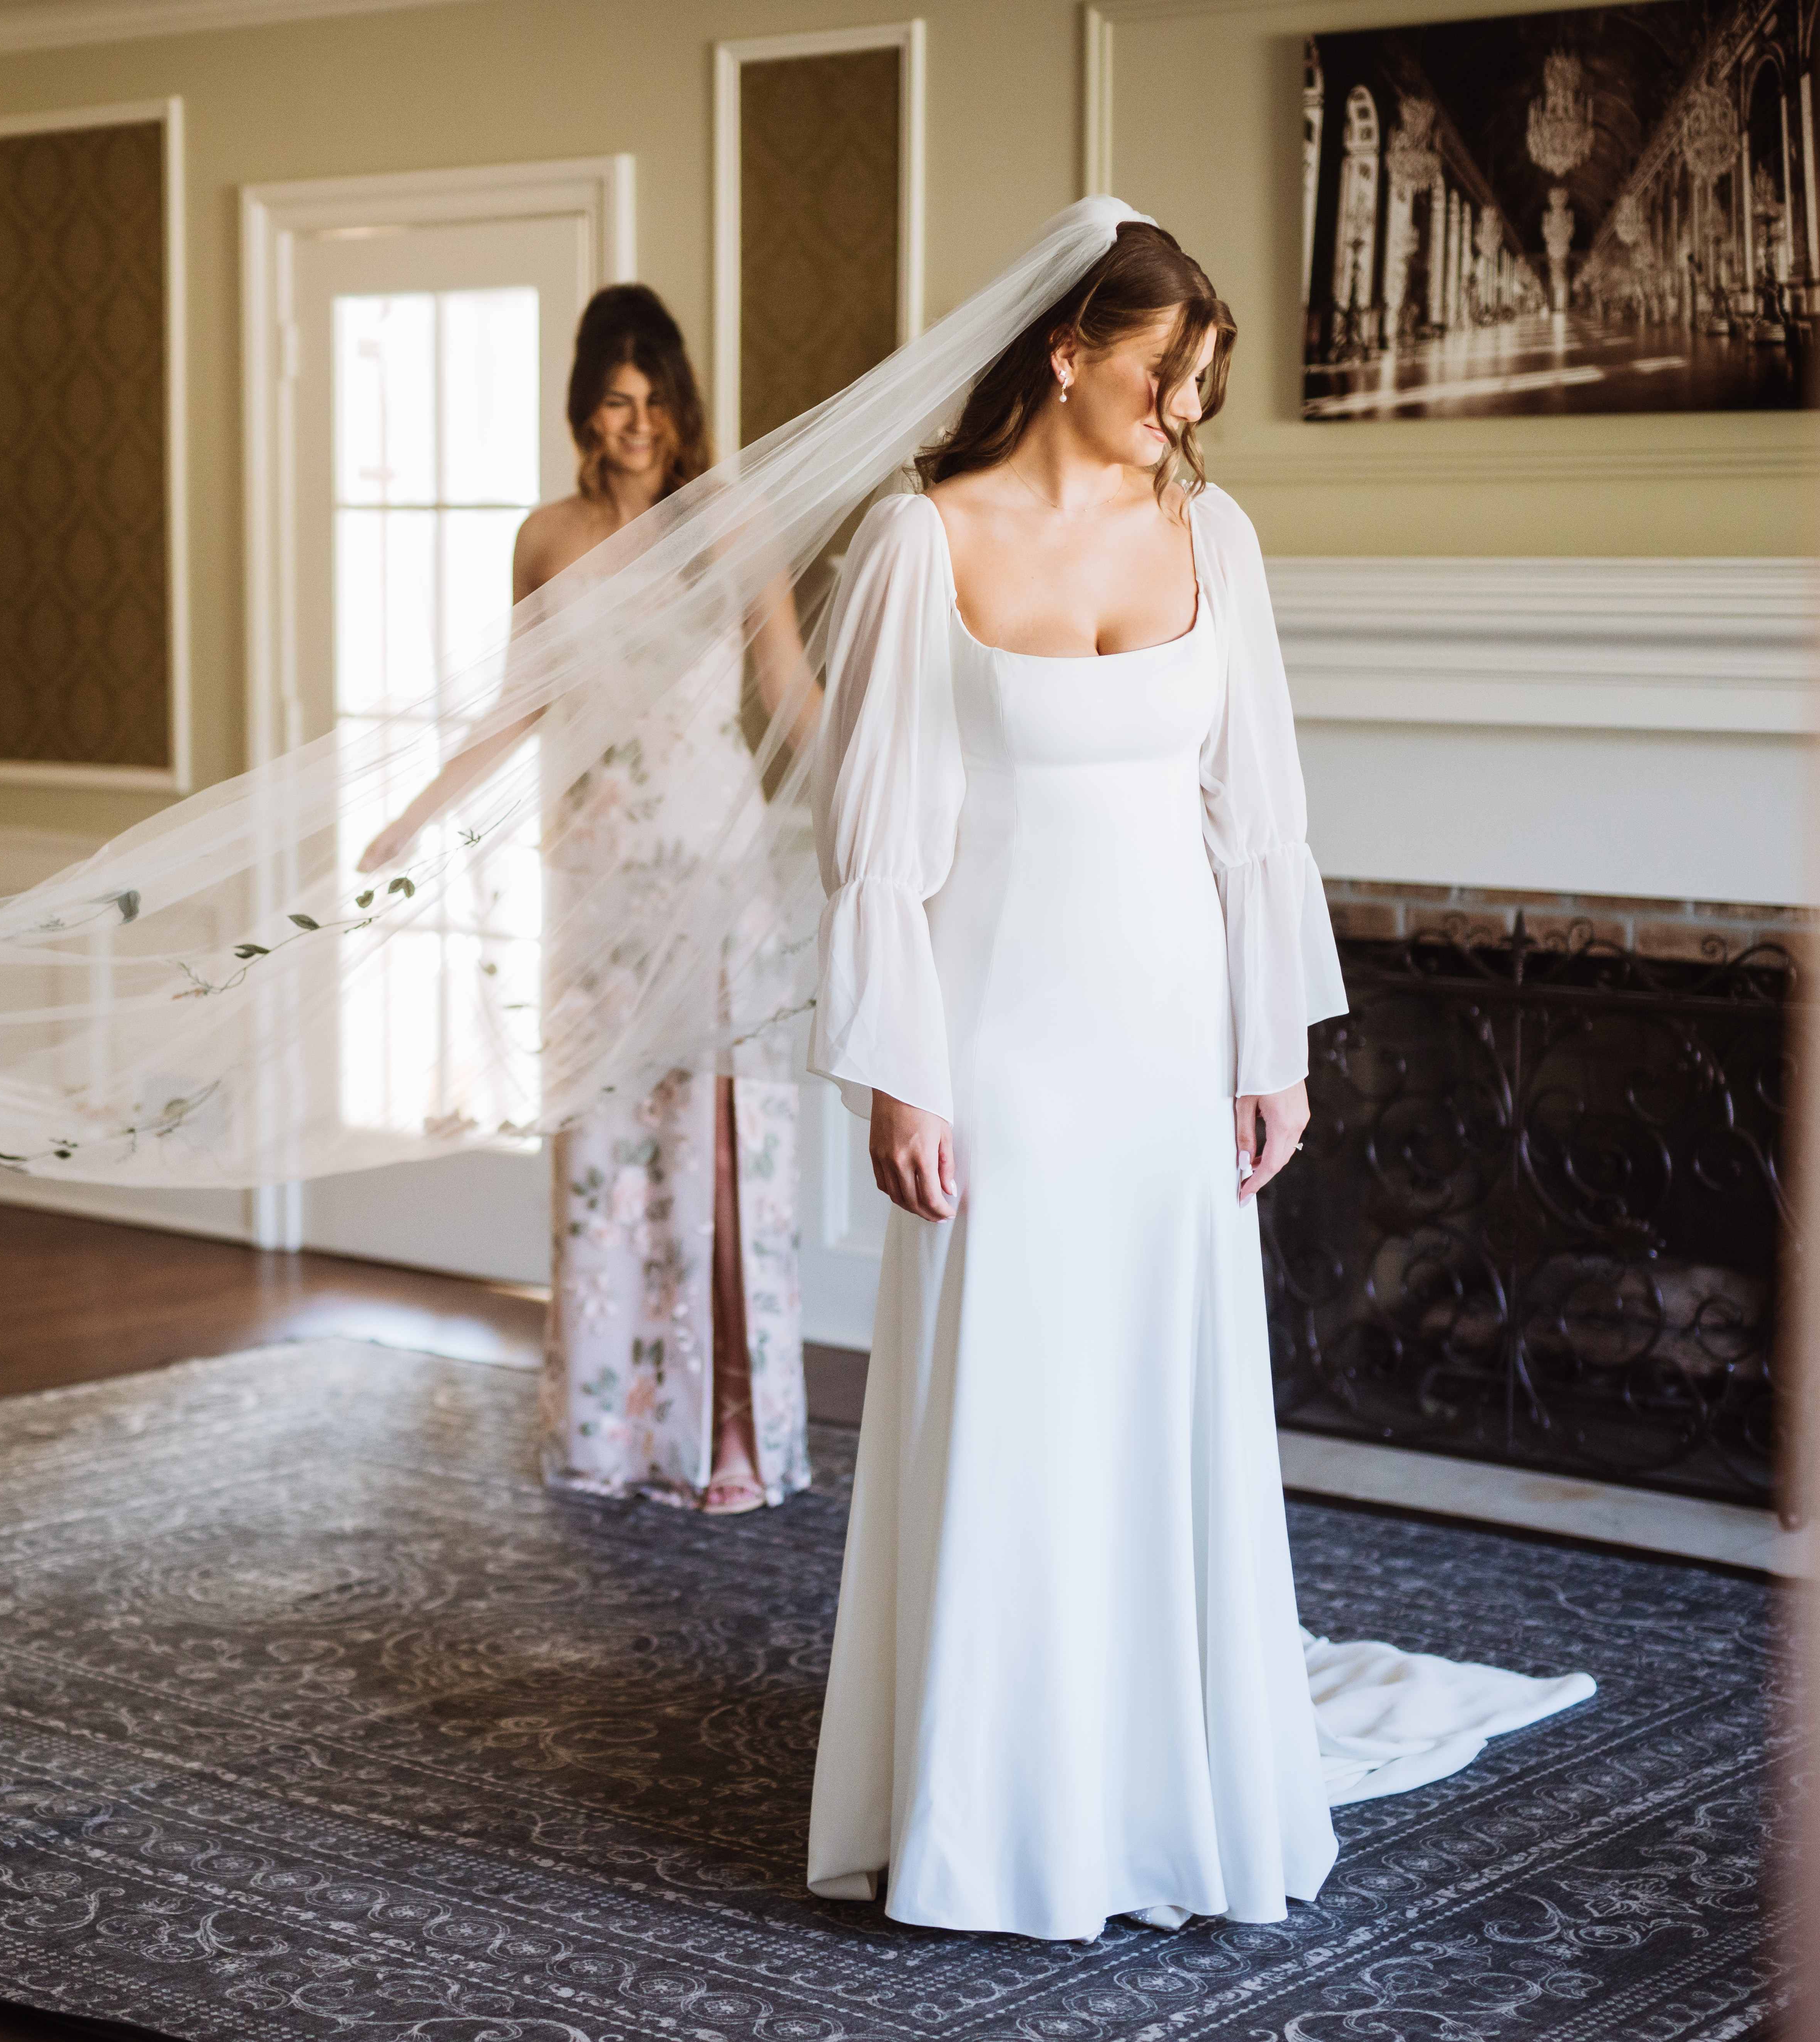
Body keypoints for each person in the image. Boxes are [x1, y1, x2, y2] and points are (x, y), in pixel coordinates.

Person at [802, 222, 1589, 1938]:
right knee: (1007, 1416)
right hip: (998, 1046)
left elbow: (1255, 812)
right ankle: (986, 1812)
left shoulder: (1207, 533)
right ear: (1068, 349)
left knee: (1155, 1411)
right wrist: (900, 1077)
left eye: (1199, 378)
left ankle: (1158, 1790)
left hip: (1166, 1048)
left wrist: (1269, 1048)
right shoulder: (916, 543)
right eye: (1158, 368)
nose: (1181, 404)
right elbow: (868, 848)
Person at [359, 286, 822, 1513]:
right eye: (616, 402)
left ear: (683, 404)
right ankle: (610, 1433)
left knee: (715, 1156)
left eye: (656, 399)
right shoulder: (547, 538)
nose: (638, 423)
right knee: (606, 1162)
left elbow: (785, 686)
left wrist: (875, 803)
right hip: (596, 890)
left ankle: (726, 1437)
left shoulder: (725, 518)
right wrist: (415, 812)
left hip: (714, 878)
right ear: (583, 410)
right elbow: (518, 706)